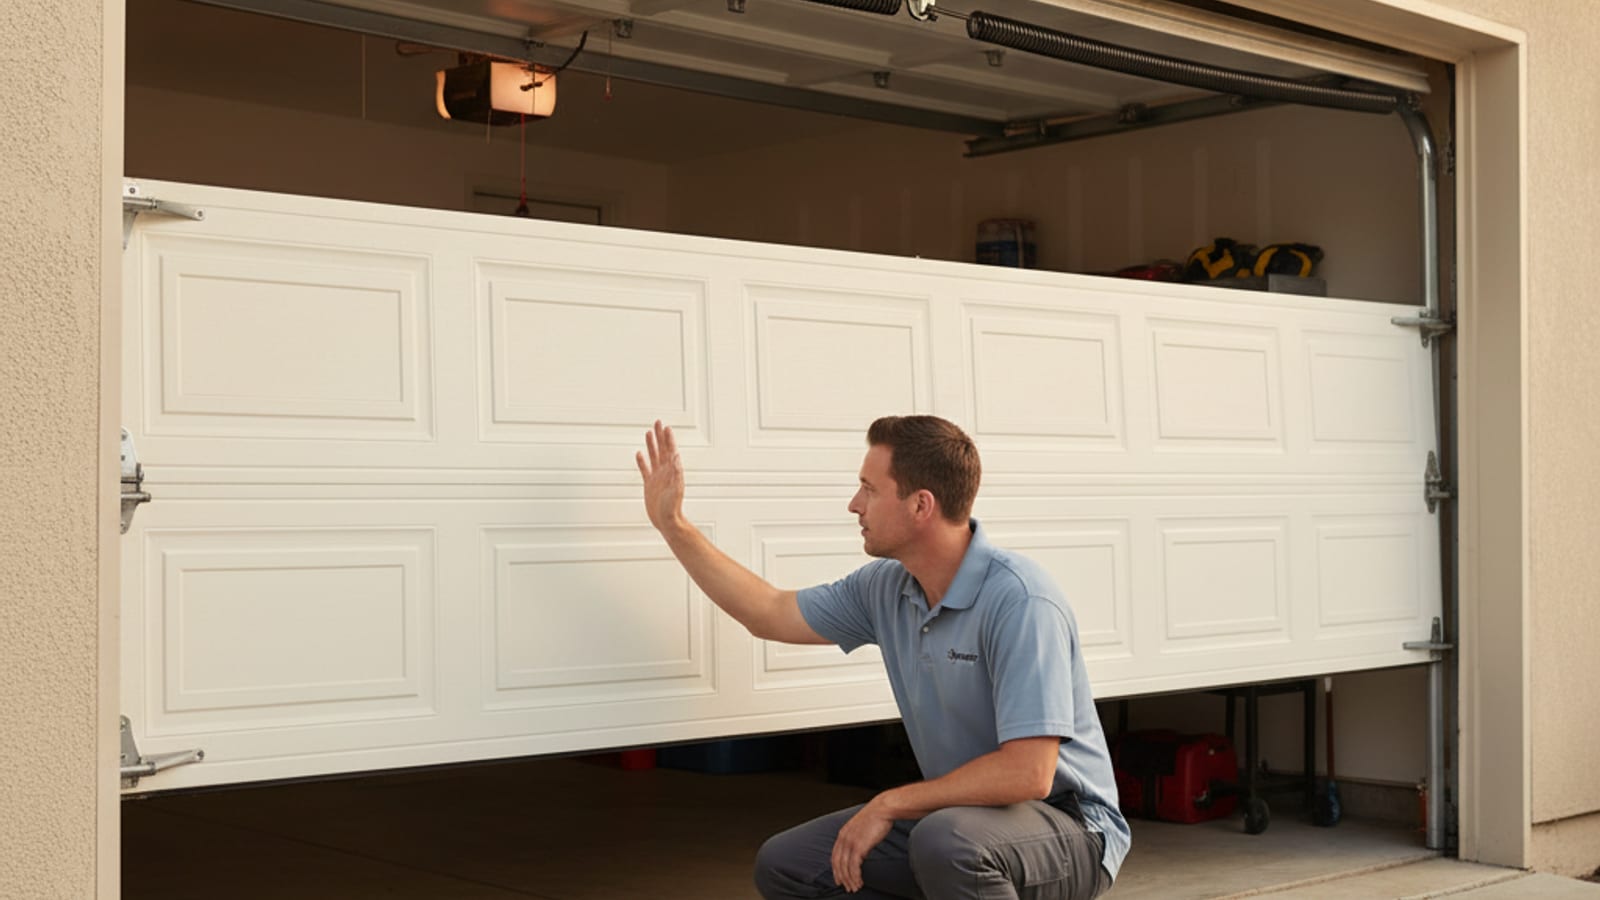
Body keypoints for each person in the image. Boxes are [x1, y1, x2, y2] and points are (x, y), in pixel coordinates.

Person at [636, 414, 1129, 900]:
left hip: (1072, 828)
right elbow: (769, 611)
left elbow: (1029, 773)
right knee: (791, 865)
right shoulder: (886, 588)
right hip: (964, 820)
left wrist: (891, 803)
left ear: (920, 506)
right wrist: (674, 526)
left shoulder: (1020, 601)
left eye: (869, 489)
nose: (855, 505)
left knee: (947, 843)